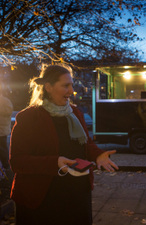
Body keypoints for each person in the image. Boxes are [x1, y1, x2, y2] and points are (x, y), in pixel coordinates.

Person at [9, 64, 119, 225]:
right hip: (43, 199)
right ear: (48, 87)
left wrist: (98, 155)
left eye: (72, 85)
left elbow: (85, 144)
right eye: (65, 86)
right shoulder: (28, 117)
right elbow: (17, 162)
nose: (71, 91)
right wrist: (55, 163)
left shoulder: (74, 113)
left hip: (76, 195)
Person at [0, 85, 13, 172]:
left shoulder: (5, 101)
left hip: (2, 131)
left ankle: (7, 166)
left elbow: (8, 111)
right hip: (2, 129)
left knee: (3, 149)